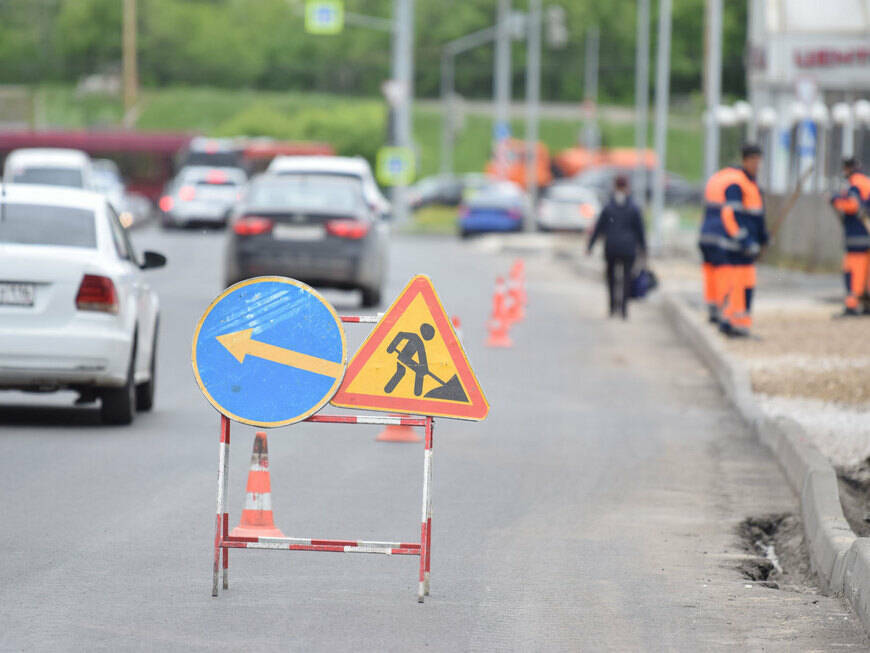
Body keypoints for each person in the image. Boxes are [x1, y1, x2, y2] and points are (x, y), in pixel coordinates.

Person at [699, 144, 766, 338]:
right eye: (753, 160)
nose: (756, 165)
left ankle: (737, 323)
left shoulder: (750, 185)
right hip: (737, 247)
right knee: (735, 285)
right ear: (745, 161)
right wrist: (745, 240)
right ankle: (731, 323)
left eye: (758, 161)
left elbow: (757, 215)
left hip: (745, 246)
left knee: (745, 286)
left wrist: (762, 237)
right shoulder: (737, 184)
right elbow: (730, 216)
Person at [587, 175, 647, 319]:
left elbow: (599, 227)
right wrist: (644, 248)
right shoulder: (633, 208)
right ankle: (624, 309)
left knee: (611, 278)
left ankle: (612, 307)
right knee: (627, 278)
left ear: (615, 186)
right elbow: (640, 230)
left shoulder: (609, 207)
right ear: (627, 187)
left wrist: (590, 245)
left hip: (611, 247)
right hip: (628, 248)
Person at [830, 157, 870, 316]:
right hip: (867, 234)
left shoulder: (853, 183)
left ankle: (852, 305)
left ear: (847, 169)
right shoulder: (867, 181)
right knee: (867, 271)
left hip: (857, 235)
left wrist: (835, 200)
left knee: (853, 270)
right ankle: (867, 304)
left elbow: (853, 205)